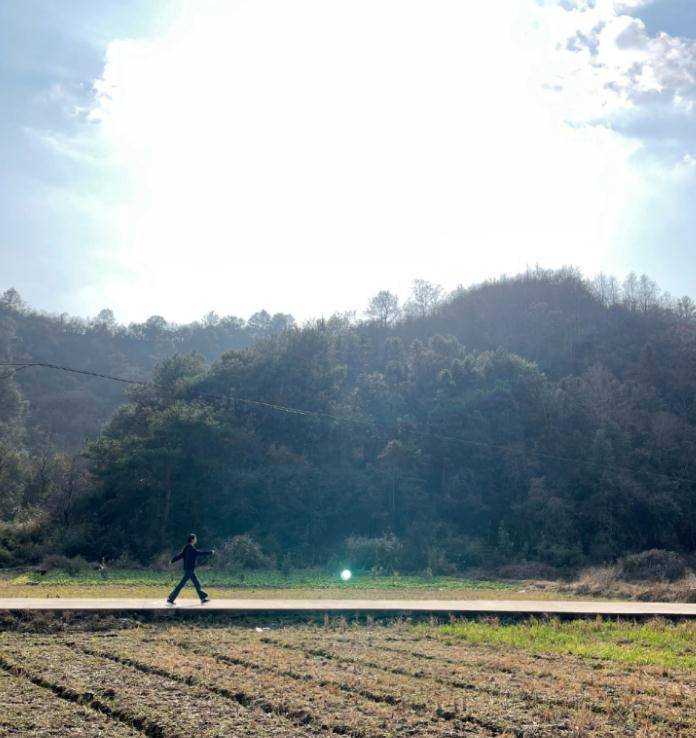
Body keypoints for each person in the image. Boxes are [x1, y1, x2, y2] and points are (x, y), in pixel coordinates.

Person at [167, 533, 215, 605]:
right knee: (181, 584)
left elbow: (180, 555)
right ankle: (171, 598)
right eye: (195, 538)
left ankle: (203, 598)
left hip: (189, 569)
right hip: (189, 569)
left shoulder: (187, 547)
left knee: (197, 583)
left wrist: (172, 560)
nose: (196, 540)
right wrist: (210, 552)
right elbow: (199, 553)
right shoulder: (191, 548)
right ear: (192, 539)